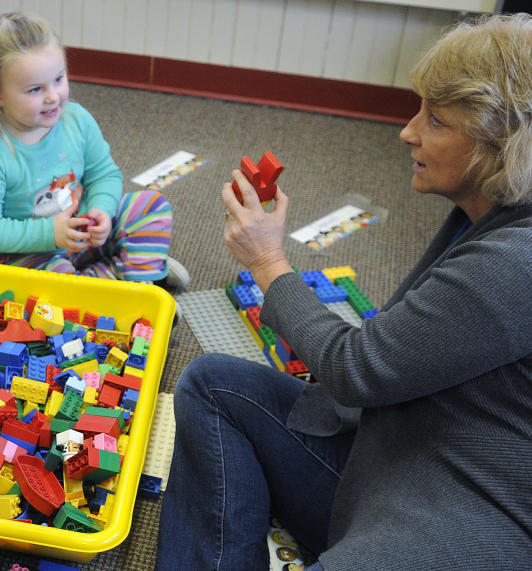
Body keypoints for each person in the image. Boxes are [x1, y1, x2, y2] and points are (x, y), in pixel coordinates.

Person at [156, 13, 532, 570]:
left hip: (461, 509)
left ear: (500, 145)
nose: (407, 132)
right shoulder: (491, 207)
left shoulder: (516, 263)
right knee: (214, 385)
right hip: (386, 455)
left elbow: (358, 369)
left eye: (435, 121)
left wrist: (267, 261)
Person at [0, 12, 190, 289]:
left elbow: (104, 175)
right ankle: (128, 272)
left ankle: (137, 282)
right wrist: (50, 234)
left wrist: (101, 211)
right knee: (57, 282)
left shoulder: (77, 119)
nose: (53, 96)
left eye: (58, 79)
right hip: (28, 252)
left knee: (152, 206)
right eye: (35, 89)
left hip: (81, 229)